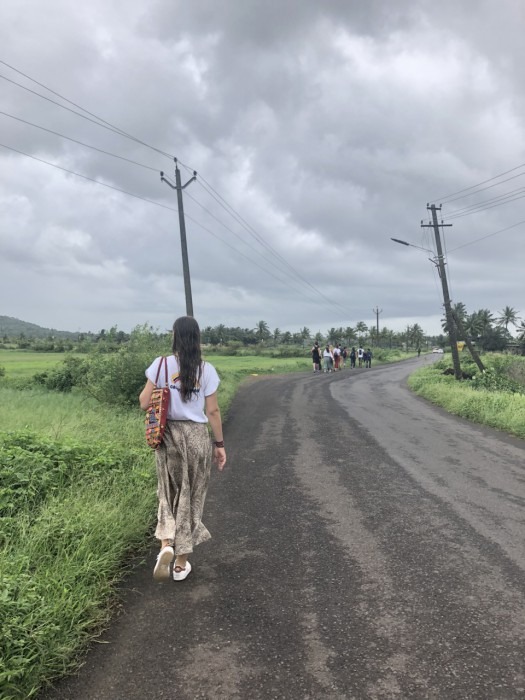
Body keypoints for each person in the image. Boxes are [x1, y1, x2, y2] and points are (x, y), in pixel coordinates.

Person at [139, 316, 226, 583]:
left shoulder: (161, 364)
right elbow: (212, 410)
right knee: (192, 496)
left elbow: (144, 402)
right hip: (197, 437)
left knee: (167, 492)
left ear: (175, 336)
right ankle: (180, 564)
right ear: (197, 338)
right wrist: (219, 445)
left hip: (167, 436)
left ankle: (166, 543)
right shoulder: (206, 370)